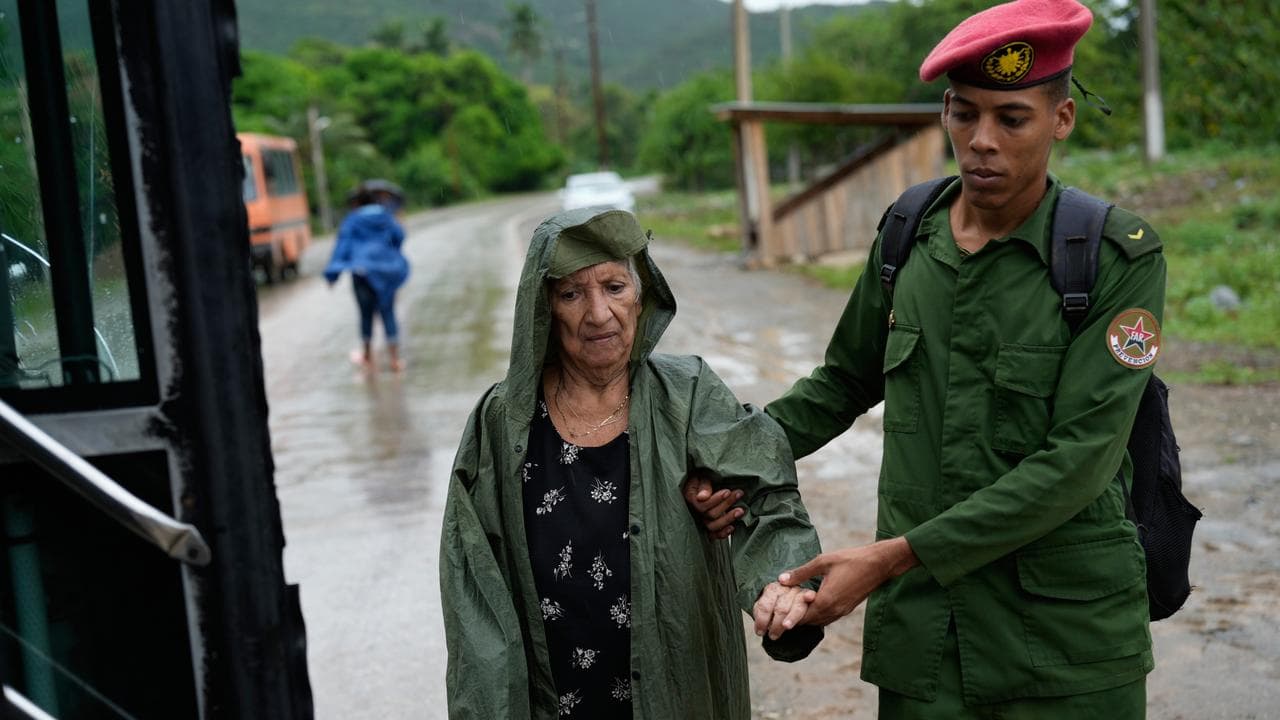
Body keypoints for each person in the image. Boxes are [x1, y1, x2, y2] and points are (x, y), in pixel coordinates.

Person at [687, 0, 1164, 716]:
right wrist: (726, 465)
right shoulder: (909, 236)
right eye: (964, 113)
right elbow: (843, 382)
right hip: (928, 644)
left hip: (1070, 647)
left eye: (1012, 118)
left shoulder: (1114, 257)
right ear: (944, 109)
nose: (981, 142)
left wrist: (887, 558)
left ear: (1060, 120)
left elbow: (1081, 461)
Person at [440, 208, 824, 719]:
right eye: (572, 294)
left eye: (615, 287)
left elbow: (766, 492)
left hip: (674, 690)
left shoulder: (686, 394)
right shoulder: (501, 422)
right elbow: (472, 587)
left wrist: (781, 587)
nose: (599, 314)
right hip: (550, 701)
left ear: (641, 300)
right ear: (544, 310)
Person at [323, 180, 409, 371]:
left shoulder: (352, 220)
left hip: (362, 273)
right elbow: (399, 237)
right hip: (387, 273)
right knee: (388, 313)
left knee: (365, 315)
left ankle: (368, 356)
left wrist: (332, 275)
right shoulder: (387, 217)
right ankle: (395, 360)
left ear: (357, 203)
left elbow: (342, 248)